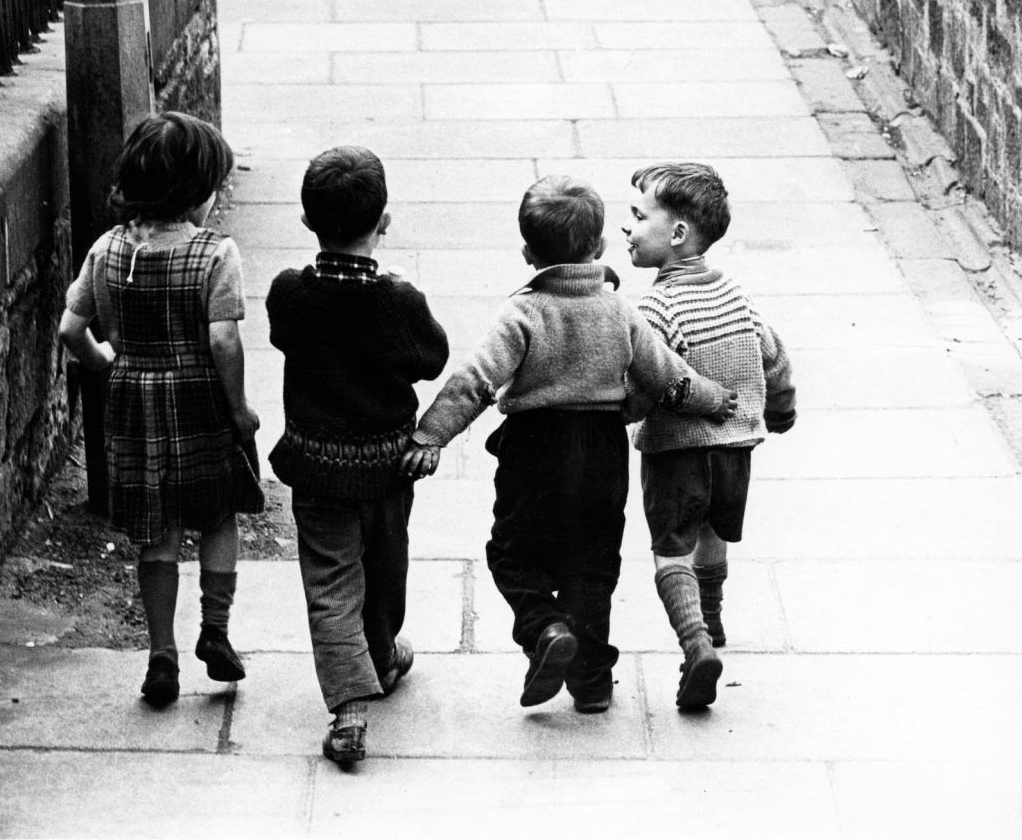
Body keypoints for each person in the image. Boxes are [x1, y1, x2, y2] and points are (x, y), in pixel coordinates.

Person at [401, 175, 736, 714]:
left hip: (533, 450)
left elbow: (477, 382)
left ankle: (544, 627)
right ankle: (593, 684)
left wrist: (430, 434)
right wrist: (714, 398)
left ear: (529, 253)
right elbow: (666, 379)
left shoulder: (523, 313)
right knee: (593, 566)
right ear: (599, 248)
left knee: (512, 553)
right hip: (601, 452)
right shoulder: (621, 312)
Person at [59, 112, 263, 708]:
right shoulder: (215, 255)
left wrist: (108, 364)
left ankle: (161, 655)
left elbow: (72, 329)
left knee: (158, 532)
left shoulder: (108, 248)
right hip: (201, 400)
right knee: (220, 515)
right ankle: (216, 631)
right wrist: (240, 409)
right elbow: (224, 341)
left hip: (134, 404)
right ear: (198, 193)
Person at [266, 145, 449, 767]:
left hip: (316, 467)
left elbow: (280, 334)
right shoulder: (400, 301)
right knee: (385, 564)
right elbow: (432, 359)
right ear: (386, 219)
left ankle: (352, 702)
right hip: (386, 468)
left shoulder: (290, 293)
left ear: (307, 222)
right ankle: (381, 653)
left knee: (331, 583)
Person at [622, 161, 796, 711]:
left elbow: (648, 380)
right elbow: (773, 355)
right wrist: (782, 410)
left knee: (672, 550)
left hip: (677, 453)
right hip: (738, 451)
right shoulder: (737, 295)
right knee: (713, 529)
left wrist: (619, 415)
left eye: (638, 216)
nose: (627, 228)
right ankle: (714, 616)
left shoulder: (656, 305)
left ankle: (696, 645)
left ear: (676, 234)